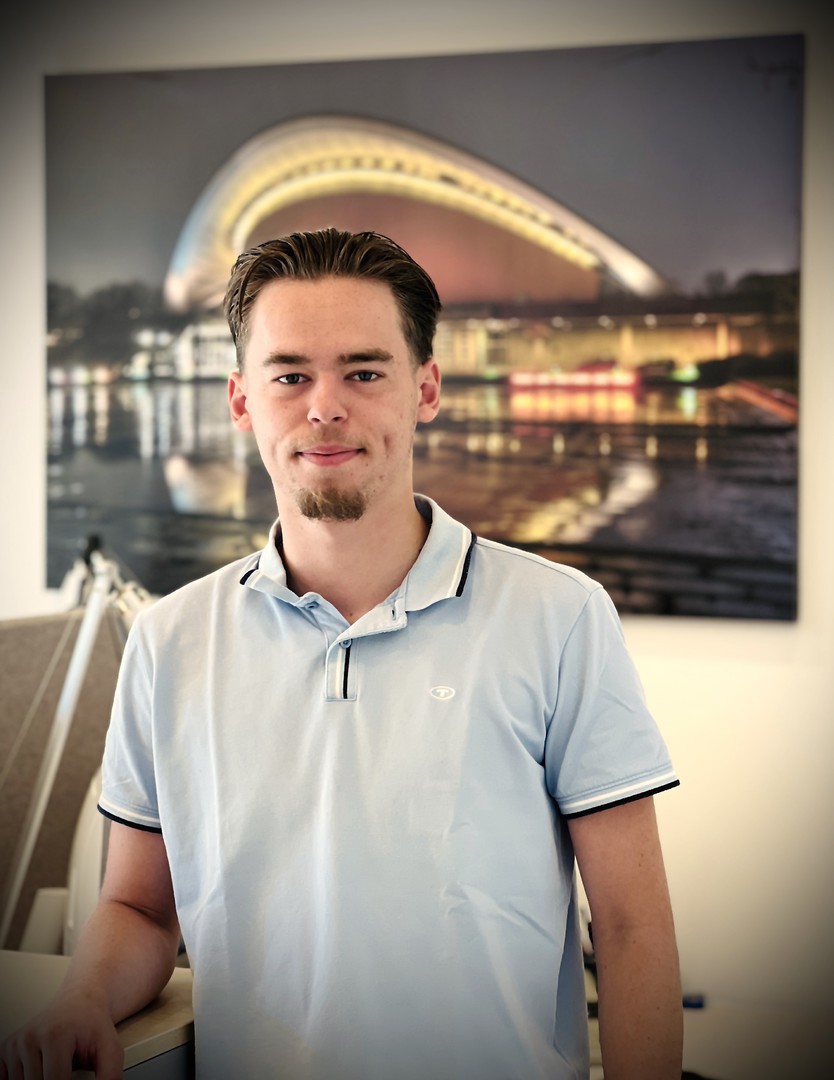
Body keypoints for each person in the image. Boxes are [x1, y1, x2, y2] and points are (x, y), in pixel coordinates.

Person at [1, 228, 682, 1079]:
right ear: (241, 399)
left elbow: (630, 928)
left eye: (363, 372)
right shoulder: (168, 641)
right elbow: (138, 909)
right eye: (290, 376)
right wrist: (82, 1000)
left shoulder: (559, 618)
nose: (325, 407)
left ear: (425, 389)